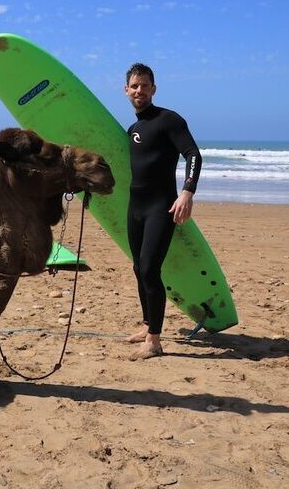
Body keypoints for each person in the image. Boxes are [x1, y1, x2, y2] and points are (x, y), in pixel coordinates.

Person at [124, 63, 202, 361]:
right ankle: (147, 326)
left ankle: (154, 341)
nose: (139, 90)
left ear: (153, 89)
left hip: (161, 207)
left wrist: (187, 192)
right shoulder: (133, 129)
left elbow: (193, 154)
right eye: (134, 86)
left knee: (149, 269)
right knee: (137, 268)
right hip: (135, 207)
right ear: (126, 90)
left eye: (145, 85)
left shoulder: (169, 120)